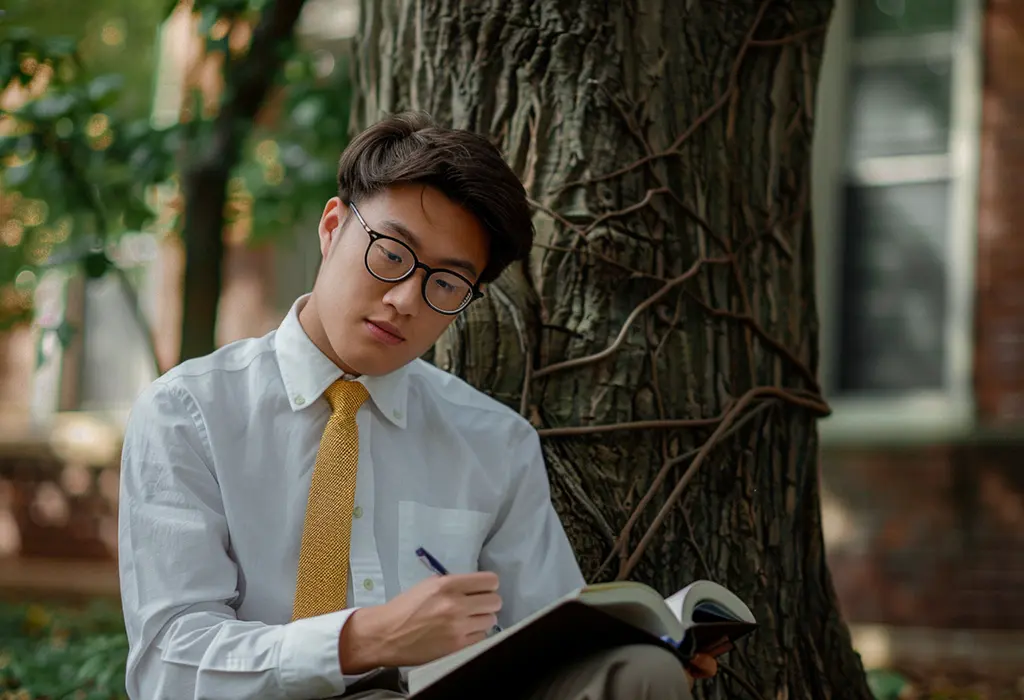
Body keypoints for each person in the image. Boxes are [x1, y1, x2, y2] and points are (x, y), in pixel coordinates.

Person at [117, 112, 721, 699]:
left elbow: (551, 631)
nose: (406, 299)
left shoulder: (495, 440)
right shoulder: (188, 413)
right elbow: (170, 662)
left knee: (639, 671)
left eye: (447, 283)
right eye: (390, 252)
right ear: (332, 229)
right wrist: (362, 639)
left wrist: (646, 655)